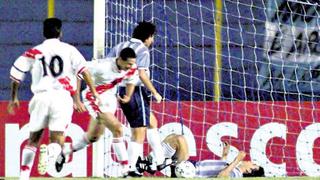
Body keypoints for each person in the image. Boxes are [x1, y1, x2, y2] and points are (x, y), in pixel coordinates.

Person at [7, 18, 99, 180]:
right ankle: (50, 153)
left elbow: (16, 76)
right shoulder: (69, 50)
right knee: (58, 140)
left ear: (43, 33)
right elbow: (84, 71)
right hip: (61, 98)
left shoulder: (34, 51)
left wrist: (14, 97)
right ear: (60, 32)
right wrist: (93, 91)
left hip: (40, 97)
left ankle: (23, 176)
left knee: (33, 139)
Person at [55, 47, 138, 176]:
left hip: (110, 99)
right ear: (120, 59)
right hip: (93, 98)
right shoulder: (101, 66)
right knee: (117, 128)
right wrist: (76, 99)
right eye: (129, 64)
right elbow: (79, 72)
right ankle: (125, 168)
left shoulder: (131, 67)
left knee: (93, 137)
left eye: (132, 64)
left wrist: (128, 95)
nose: (131, 66)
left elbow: (131, 80)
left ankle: (66, 150)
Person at [106, 21, 165, 176]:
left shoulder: (120, 46)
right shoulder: (143, 51)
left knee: (152, 122)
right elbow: (142, 74)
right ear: (148, 37)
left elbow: (107, 64)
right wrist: (155, 92)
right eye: (152, 37)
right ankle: (132, 167)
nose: (152, 41)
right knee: (138, 132)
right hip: (135, 91)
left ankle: (159, 160)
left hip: (120, 89)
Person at [137, 137, 265, 178]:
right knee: (175, 138)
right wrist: (224, 154)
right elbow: (218, 169)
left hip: (190, 171)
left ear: (249, 171)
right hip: (191, 165)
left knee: (179, 139)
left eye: (253, 165)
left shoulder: (237, 175)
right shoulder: (233, 169)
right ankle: (151, 163)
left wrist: (237, 159)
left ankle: (155, 163)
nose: (251, 162)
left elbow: (221, 177)